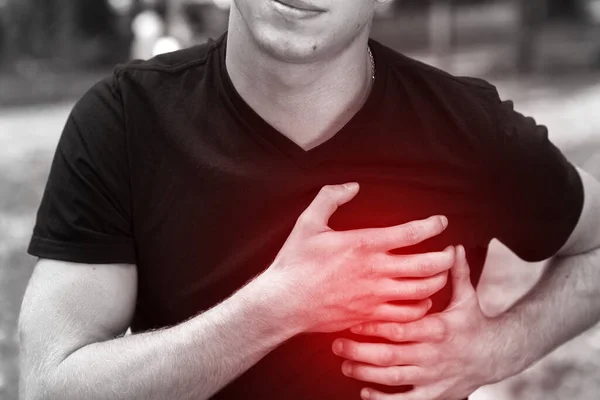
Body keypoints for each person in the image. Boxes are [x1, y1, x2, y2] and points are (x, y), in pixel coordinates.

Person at [18, 0, 600, 399]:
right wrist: (277, 306)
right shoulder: (124, 121)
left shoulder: (468, 129)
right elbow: (50, 385)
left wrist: (495, 351)